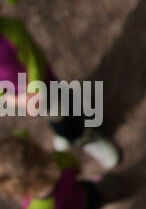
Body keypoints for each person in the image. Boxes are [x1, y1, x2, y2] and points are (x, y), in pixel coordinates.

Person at [0, 16, 120, 169]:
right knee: (54, 115)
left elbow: (34, 61)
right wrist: (13, 100)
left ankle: (85, 137)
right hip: (20, 98)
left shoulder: (12, 32)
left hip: (44, 87)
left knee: (63, 115)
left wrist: (34, 92)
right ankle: (67, 131)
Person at [0, 133, 125, 209]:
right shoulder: (59, 160)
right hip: (81, 194)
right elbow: (75, 166)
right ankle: (120, 188)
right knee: (105, 190)